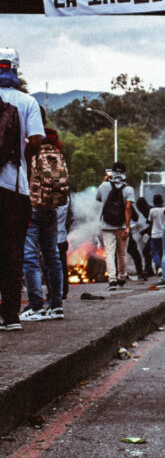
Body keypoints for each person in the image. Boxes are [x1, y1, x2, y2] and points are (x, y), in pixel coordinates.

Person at [0, 47, 44, 331]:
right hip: (14, 188)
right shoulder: (27, 102)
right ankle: (11, 315)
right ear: (16, 69)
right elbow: (38, 139)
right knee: (13, 250)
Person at [21, 125, 66, 321]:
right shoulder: (55, 143)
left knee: (30, 257)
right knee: (53, 257)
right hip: (52, 206)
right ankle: (56, 306)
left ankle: (36, 306)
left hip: (32, 206)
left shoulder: (30, 145)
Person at [96, 161, 136, 290]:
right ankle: (122, 277)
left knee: (109, 253)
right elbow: (128, 208)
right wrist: (128, 227)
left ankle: (112, 280)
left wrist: (105, 181)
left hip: (107, 226)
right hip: (122, 226)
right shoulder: (129, 189)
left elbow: (99, 198)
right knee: (122, 254)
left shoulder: (103, 186)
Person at [148, 194, 165, 278]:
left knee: (155, 252)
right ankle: (164, 268)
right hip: (164, 234)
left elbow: (150, 221)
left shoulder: (152, 210)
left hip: (155, 234)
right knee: (164, 252)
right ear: (162, 201)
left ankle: (159, 267)